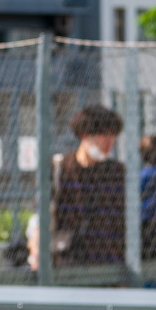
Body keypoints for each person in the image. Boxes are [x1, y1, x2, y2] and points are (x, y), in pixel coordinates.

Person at [53, 104, 127, 265]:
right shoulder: (60, 168)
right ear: (83, 134)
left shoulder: (118, 172)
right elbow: (43, 215)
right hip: (69, 259)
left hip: (110, 260)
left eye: (113, 134)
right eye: (102, 134)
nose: (109, 141)